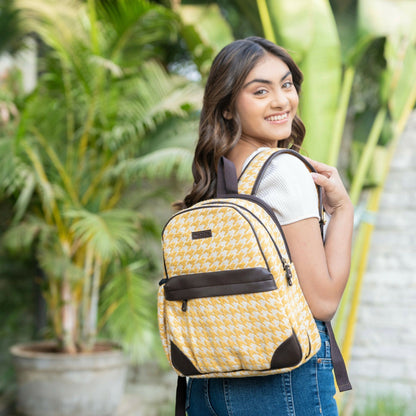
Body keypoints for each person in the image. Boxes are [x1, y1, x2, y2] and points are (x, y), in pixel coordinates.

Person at [175, 36, 354, 416]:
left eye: (286, 84)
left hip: (207, 383)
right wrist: (343, 212)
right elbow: (322, 302)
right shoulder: (284, 170)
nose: (281, 101)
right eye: (260, 90)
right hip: (282, 378)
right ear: (226, 107)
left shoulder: (215, 180)